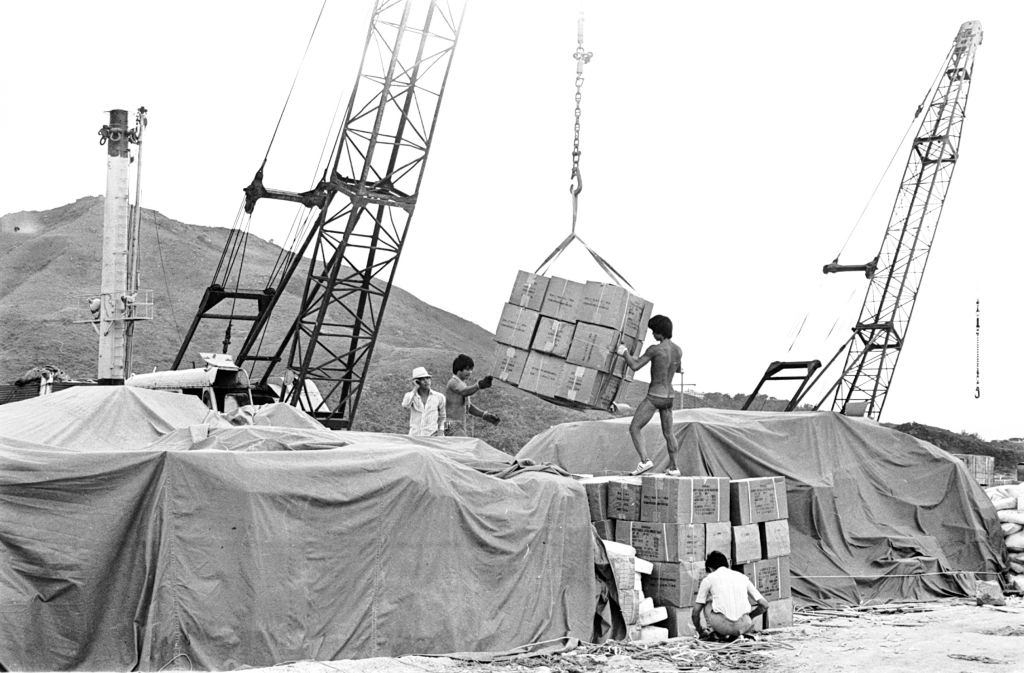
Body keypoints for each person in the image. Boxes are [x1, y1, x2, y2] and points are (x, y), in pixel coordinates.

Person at [616, 314, 682, 475]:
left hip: (655, 396)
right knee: (668, 433)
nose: (652, 334)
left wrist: (624, 352)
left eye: (653, 331)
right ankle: (674, 467)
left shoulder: (655, 349)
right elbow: (678, 369)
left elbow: (635, 365)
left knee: (634, 428)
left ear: (660, 332)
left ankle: (645, 461)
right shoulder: (678, 350)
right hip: (669, 398)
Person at [692, 551, 769, 640]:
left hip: (721, 626)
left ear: (710, 568)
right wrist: (750, 617)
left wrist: (700, 631)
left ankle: (715, 633)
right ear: (727, 564)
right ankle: (734, 634)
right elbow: (765, 605)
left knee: (708, 602)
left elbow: (695, 613)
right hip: (743, 625)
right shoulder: (742, 577)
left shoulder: (709, 579)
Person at [443, 354, 501, 436]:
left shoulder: (462, 383)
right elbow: (464, 391)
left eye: (471, 369)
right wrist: (479, 385)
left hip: (458, 425)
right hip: (449, 423)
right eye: (467, 369)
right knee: (463, 446)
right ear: (459, 369)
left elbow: (468, 407)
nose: (470, 372)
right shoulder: (453, 382)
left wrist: (484, 415)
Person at [401, 366, 446, 437]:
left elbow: (443, 416)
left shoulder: (439, 397)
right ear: (417, 382)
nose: (426, 381)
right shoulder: (411, 396)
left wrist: (441, 431)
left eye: (427, 378)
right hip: (415, 436)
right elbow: (406, 406)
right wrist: (415, 388)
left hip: (433, 436)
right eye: (422, 379)